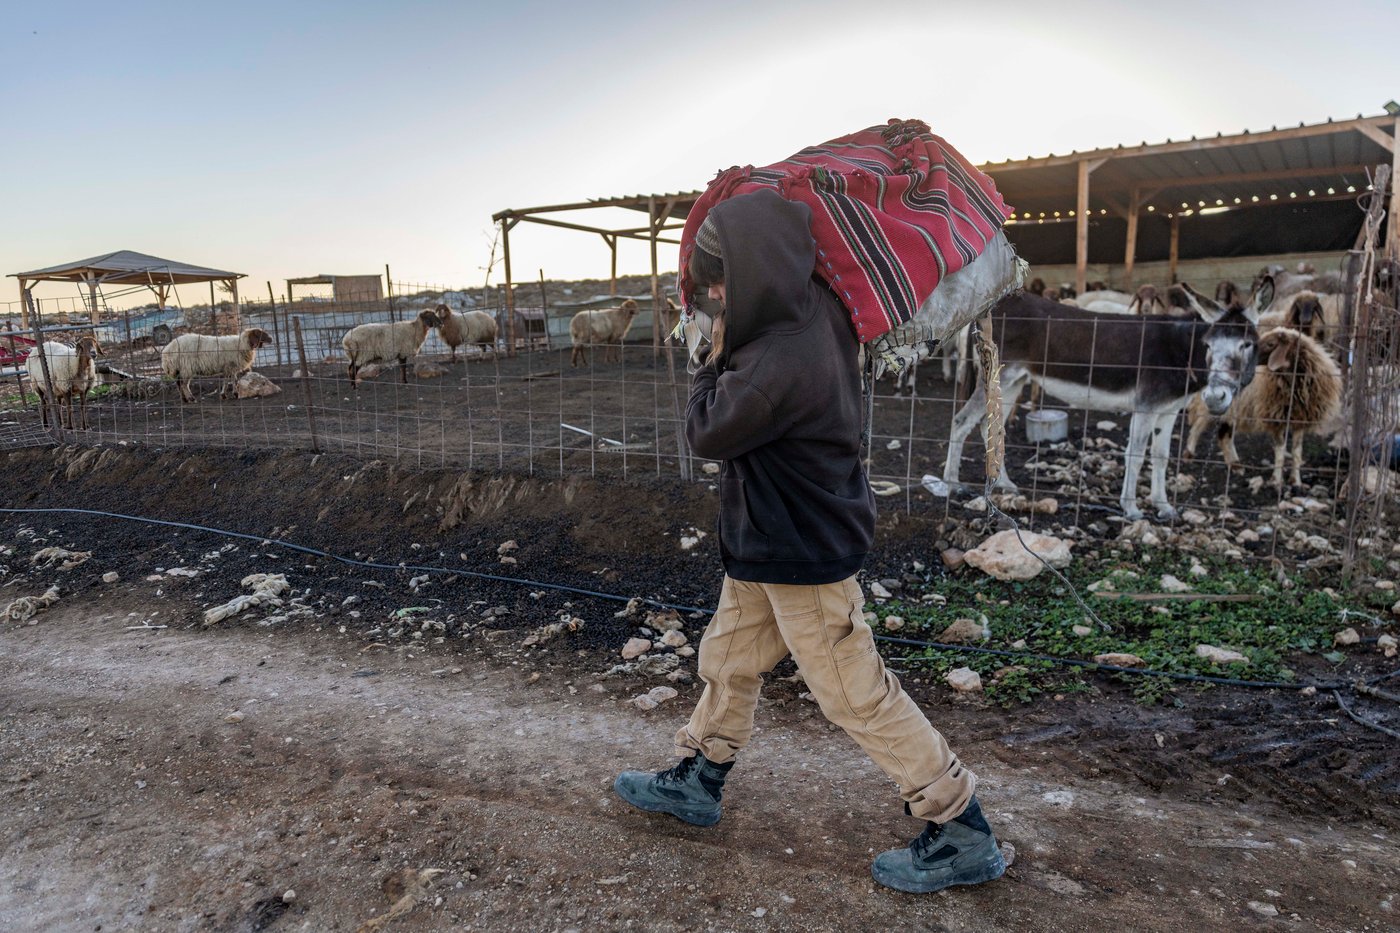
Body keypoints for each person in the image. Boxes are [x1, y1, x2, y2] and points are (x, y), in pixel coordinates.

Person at [613, 188, 1005, 894]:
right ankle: (700, 774)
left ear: (753, 270)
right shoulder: (811, 307)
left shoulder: (772, 360)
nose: (716, 297)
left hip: (800, 548)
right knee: (727, 656)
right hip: (770, 537)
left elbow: (706, 431)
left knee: (851, 690)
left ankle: (960, 823)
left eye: (720, 283)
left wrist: (709, 356)